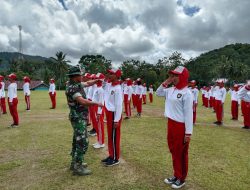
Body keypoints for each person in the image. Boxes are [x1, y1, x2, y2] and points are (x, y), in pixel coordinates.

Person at [156, 66, 193, 189]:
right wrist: (167, 81)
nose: (174, 78)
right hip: (171, 123)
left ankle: (181, 178)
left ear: (183, 77)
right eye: (172, 75)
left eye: (176, 75)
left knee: (181, 152)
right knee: (173, 150)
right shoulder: (170, 90)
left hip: (180, 126)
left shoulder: (187, 93)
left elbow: (189, 114)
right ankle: (176, 174)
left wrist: (188, 133)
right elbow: (158, 92)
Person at [65, 66, 103, 176]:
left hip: (78, 117)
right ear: (75, 76)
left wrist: (95, 80)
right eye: (80, 75)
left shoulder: (75, 83)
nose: (82, 77)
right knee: (83, 141)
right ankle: (78, 166)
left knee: (77, 140)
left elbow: (87, 84)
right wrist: (96, 103)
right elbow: (82, 101)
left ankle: (75, 163)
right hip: (78, 117)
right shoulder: (72, 88)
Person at [101, 68, 123, 167]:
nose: (109, 75)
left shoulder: (118, 88)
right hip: (109, 113)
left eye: (111, 74)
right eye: (109, 73)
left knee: (114, 137)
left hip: (114, 114)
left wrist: (116, 120)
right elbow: (102, 85)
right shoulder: (109, 85)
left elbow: (119, 105)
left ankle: (115, 158)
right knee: (110, 136)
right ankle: (111, 155)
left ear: (116, 76)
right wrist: (105, 78)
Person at [92, 73, 105, 149]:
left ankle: (101, 143)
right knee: (98, 126)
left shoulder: (100, 90)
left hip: (98, 109)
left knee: (100, 126)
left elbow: (101, 102)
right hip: (95, 107)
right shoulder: (97, 88)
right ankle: (99, 141)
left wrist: (99, 112)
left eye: (97, 79)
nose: (95, 80)